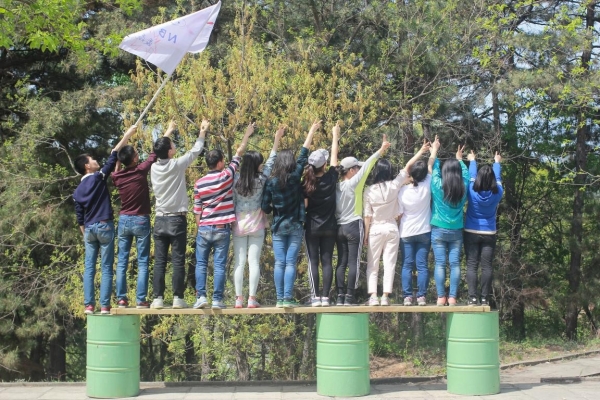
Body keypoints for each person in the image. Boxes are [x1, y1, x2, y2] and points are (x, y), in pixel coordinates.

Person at [74, 124, 138, 315]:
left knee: (89, 268)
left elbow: (80, 219)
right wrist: (127, 134)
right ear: (87, 166)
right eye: (92, 160)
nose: (95, 161)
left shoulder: (77, 192)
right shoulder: (97, 177)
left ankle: (89, 305)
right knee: (107, 266)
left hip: (90, 231)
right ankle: (104, 305)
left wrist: (86, 236)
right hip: (104, 225)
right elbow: (114, 153)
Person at [112, 121, 175, 309]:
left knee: (122, 261)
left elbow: (115, 156)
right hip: (140, 219)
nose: (139, 156)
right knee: (142, 261)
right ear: (133, 160)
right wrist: (169, 130)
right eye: (136, 155)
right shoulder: (140, 171)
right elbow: (156, 152)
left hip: (124, 220)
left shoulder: (117, 177)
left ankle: (122, 298)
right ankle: (141, 300)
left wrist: (126, 136)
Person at [193, 123, 255, 310]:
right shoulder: (227, 176)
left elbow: (197, 209)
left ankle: (201, 296)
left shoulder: (199, 183)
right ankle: (217, 300)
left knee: (201, 264)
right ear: (220, 162)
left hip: (204, 227)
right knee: (219, 265)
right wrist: (246, 133)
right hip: (222, 229)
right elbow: (239, 152)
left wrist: (200, 227)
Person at [150, 120, 208, 309]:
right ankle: (177, 297)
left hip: (160, 219)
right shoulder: (176, 165)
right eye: (172, 145)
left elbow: (159, 150)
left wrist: (168, 130)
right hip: (176, 219)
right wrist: (202, 132)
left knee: (159, 261)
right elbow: (195, 151)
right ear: (170, 152)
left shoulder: (153, 167)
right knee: (177, 260)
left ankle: (157, 297)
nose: (174, 145)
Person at [364, 140, 430, 306]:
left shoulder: (369, 190)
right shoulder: (395, 185)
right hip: (392, 228)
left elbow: (367, 215)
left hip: (376, 228)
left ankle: (373, 296)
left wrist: (365, 235)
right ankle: (385, 296)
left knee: (373, 264)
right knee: (390, 263)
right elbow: (408, 167)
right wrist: (421, 151)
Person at [262, 120, 319, 308]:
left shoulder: (271, 183)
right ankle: (287, 298)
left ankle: (280, 299)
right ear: (291, 163)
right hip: (295, 225)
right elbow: (303, 155)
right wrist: (310, 131)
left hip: (278, 226)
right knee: (290, 263)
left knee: (280, 263)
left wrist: (273, 210)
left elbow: (265, 206)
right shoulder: (295, 178)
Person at [232, 126, 285, 308]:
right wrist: (276, 139)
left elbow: (237, 155)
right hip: (256, 224)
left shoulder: (235, 179)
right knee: (253, 262)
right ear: (256, 165)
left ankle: (238, 298)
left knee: (239, 263)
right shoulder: (261, 179)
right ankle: (252, 299)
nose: (262, 165)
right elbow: (272, 159)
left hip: (238, 224)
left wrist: (246, 135)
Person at [335, 135, 390, 306]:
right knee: (353, 262)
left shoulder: (336, 185)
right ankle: (350, 297)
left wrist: (336, 138)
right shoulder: (354, 184)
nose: (359, 170)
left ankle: (339, 296)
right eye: (356, 168)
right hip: (353, 225)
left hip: (339, 227)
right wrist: (381, 150)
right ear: (351, 170)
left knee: (341, 262)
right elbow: (368, 165)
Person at [398, 136, 439, 306]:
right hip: (424, 231)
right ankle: (421, 296)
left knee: (407, 265)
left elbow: (399, 214)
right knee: (422, 265)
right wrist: (434, 149)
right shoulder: (428, 183)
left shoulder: (402, 191)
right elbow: (430, 165)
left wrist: (420, 151)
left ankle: (408, 296)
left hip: (406, 232)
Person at [303, 122, 340, 307]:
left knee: (313, 262)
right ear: (324, 165)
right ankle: (326, 297)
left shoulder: (307, 182)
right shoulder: (331, 177)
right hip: (330, 227)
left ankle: (315, 297)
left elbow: (305, 204)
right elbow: (334, 155)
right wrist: (335, 135)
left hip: (312, 226)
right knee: (327, 261)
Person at [430, 142, 470, 306]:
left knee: (440, 263)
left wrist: (435, 152)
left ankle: (441, 297)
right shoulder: (464, 187)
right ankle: (452, 297)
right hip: (456, 232)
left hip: (438, 229)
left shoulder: (438, 185)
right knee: (454, 264)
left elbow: (434, 171)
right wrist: (459, 160)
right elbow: (466, 176)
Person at [464, 151, 503, 306]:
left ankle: (472, 298)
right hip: (489, 233)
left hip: (471, 232)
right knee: (486, 266)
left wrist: (472, 160)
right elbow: (498, 178)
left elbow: (472, 175)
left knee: (472, 265)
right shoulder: (498, 193)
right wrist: (497, 163)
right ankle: (485, 299)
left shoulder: (471, 190)